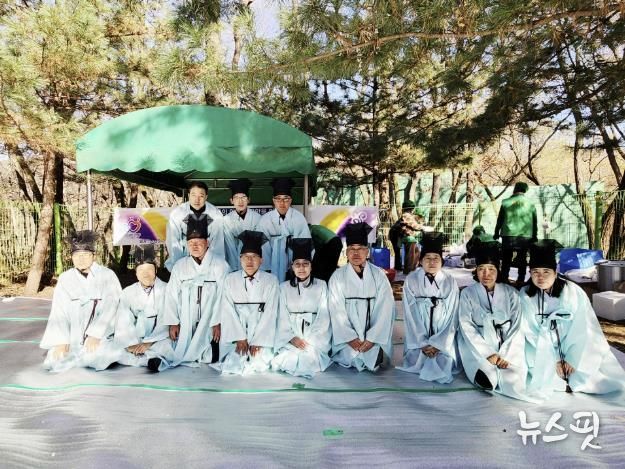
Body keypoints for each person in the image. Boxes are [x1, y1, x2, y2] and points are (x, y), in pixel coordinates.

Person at [521, 240, 625, 396]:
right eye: (535, 272)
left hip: (575, 346)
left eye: (546, 272)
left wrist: (571, 358)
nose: (540, 277)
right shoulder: (525, 295)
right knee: (541, 374)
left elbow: (584, 327)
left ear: (555, 272)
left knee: (591, 379)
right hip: (541, 349)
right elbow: (529, 331)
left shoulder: (573, 292)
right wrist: (553, 359)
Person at [458, 241, 537, 401]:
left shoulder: (511, 293)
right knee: (487, 374)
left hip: (508, 344)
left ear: (498, 270)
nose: (486, 274)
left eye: (491, 269)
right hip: (480, 343)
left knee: (512, 378)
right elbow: (466, 325)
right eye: (481, 269)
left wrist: (505, 354)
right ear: (476, 270)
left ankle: (506, 367)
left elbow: (517, 325)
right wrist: (488, 353)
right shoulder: (467, 293)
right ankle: (485, 374)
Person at [40, 230, 122, 372]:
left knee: (100, 356)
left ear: (94, 256)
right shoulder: (65, 278)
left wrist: (96, 334)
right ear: (71, 257)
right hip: (74, 336)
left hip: (101, 335)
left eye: (85, 254)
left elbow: (112, 306)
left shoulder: (107, 275)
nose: (81, 259)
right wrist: (62, 341)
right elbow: (59, 311)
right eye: (77, 255)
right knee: (54, 360)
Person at [159, 215, 230, 370]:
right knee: (173, 344)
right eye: (191, 243)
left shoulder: (220, 265)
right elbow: (171, 294)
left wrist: (217, 322)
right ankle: (159, 359)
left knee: (213, 354)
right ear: (187, 245)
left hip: (210, 320)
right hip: (186, 319)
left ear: (207, 242)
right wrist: (173, 322)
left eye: (199, 242)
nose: (195, 246)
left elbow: (224, 296)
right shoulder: (180, 266)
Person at [328, 222, 395, 372]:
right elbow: (335, 310)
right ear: (346, 253)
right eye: (352, 249)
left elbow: (385, 309)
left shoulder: (379, 275)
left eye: (360, 249)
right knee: (351, 356)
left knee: (373, 355)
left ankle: (373, 348)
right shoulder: (337, 277)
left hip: (374, 339)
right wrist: (350, 338)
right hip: (347, 341)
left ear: (368, 252)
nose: (356, 253)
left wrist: (372, 339)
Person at [398, 231, 460, 383]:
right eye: (427, 258)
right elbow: (410, 313)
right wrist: (422, 342)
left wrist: (438, 344)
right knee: (416, 360)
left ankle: (439, 348)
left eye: (436, 258)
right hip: (418, 335)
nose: (432, 262)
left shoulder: (450, 281)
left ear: (441, 261)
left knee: (444, 361)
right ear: (420, 261)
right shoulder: (412, 279)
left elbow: (453, 314)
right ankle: (422, 348)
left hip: (442, 333)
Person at [217, 230, 281, 374]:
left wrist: (258, 340)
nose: (250, 261)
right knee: (232, 363)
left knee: (259, 364)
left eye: (254, 257)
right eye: (246, 257)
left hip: (261, 336)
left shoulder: (271, 281)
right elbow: (227, 310)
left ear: (261, 260)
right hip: (236, 336)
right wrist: (239, 338)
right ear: (240, 259)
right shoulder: (230, 280)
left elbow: (271, 313)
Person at [272, 238, 332, 378]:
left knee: (309, 358)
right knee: (288, 359)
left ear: (311, 266)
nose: (301, 268)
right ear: (292, 267)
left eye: (305, 264)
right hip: (291, 338)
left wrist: (310, 341)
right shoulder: (283, 287)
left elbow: (323, 318)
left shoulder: (321, 285)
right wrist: (292, 338)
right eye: (297, 264)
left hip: (314, 340)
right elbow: (281, 317)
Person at [110, 245, 175, 372]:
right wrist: (131, 343)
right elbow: (123, 319)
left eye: (149, 269)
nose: (145, 274)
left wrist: (149, 342)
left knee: (167, 346)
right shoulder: (127, 292)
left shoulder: (166, 289)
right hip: (135, 336)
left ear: (156, 270)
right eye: (141, 270)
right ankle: (148, 361)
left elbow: (166, 318)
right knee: (117, 349)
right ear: (136, 273)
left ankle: (146, 359)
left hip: (158, 337)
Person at [256, 177, 311, 282]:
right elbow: (263, 247)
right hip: (272, 265)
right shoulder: (265, 220)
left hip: (294, 266)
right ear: (273, 200)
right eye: (278, 199)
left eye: (286, 199)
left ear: (291, 200)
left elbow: (305, 244)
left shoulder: (299, 218)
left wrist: (298, 267)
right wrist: (267, 268)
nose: (282, 202)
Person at [165, 181, 225, 271]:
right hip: (184, 255)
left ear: (206, 197)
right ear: (188, 195)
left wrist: (214, 265)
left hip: (207, 257)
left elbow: (217, 242)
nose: (197, 200)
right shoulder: (178, 213)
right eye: (193, 195)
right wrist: (179, 266)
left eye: (201, 196)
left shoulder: (215, 213)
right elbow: (173, 241)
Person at [493, 182, 537, 287]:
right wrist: (534, 235)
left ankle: (504, 279)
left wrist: (496, 232)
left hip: (508, 235)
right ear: (525, 190)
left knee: (506, 258)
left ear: (515, 189)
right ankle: (520, 279)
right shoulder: (530, 203)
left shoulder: (505, 202)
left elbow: (500, 219)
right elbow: (534, 221)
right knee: (522, 258)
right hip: (525, 235)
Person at [223, 178, 262, 272]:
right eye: (236, 198)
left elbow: (258, 245)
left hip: (252, 263)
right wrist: (234, 267)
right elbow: (229, 245)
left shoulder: (257, 218)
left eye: (243, 197)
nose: (240, 201)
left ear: (249, 200)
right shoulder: (226, 220)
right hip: (233, 264)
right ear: (231, 201)